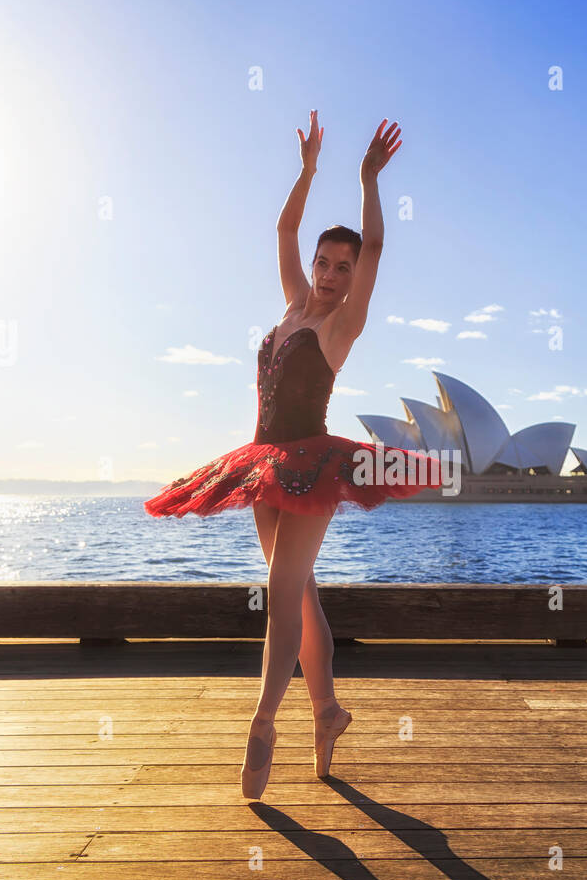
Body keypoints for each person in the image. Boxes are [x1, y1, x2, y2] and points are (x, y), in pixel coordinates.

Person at [144, 112, 444, 796]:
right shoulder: (288, 308)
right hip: (261, 461)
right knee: (301, 594)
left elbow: (375, 244)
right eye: (324, 262)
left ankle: (263, 722)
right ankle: (329, 710)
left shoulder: (342, 324)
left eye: (343, 266)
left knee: (281, 592)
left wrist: (367, 180)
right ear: (311, 264)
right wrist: (307, 171)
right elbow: (282, 230)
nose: (334, 274)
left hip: (311, 466)